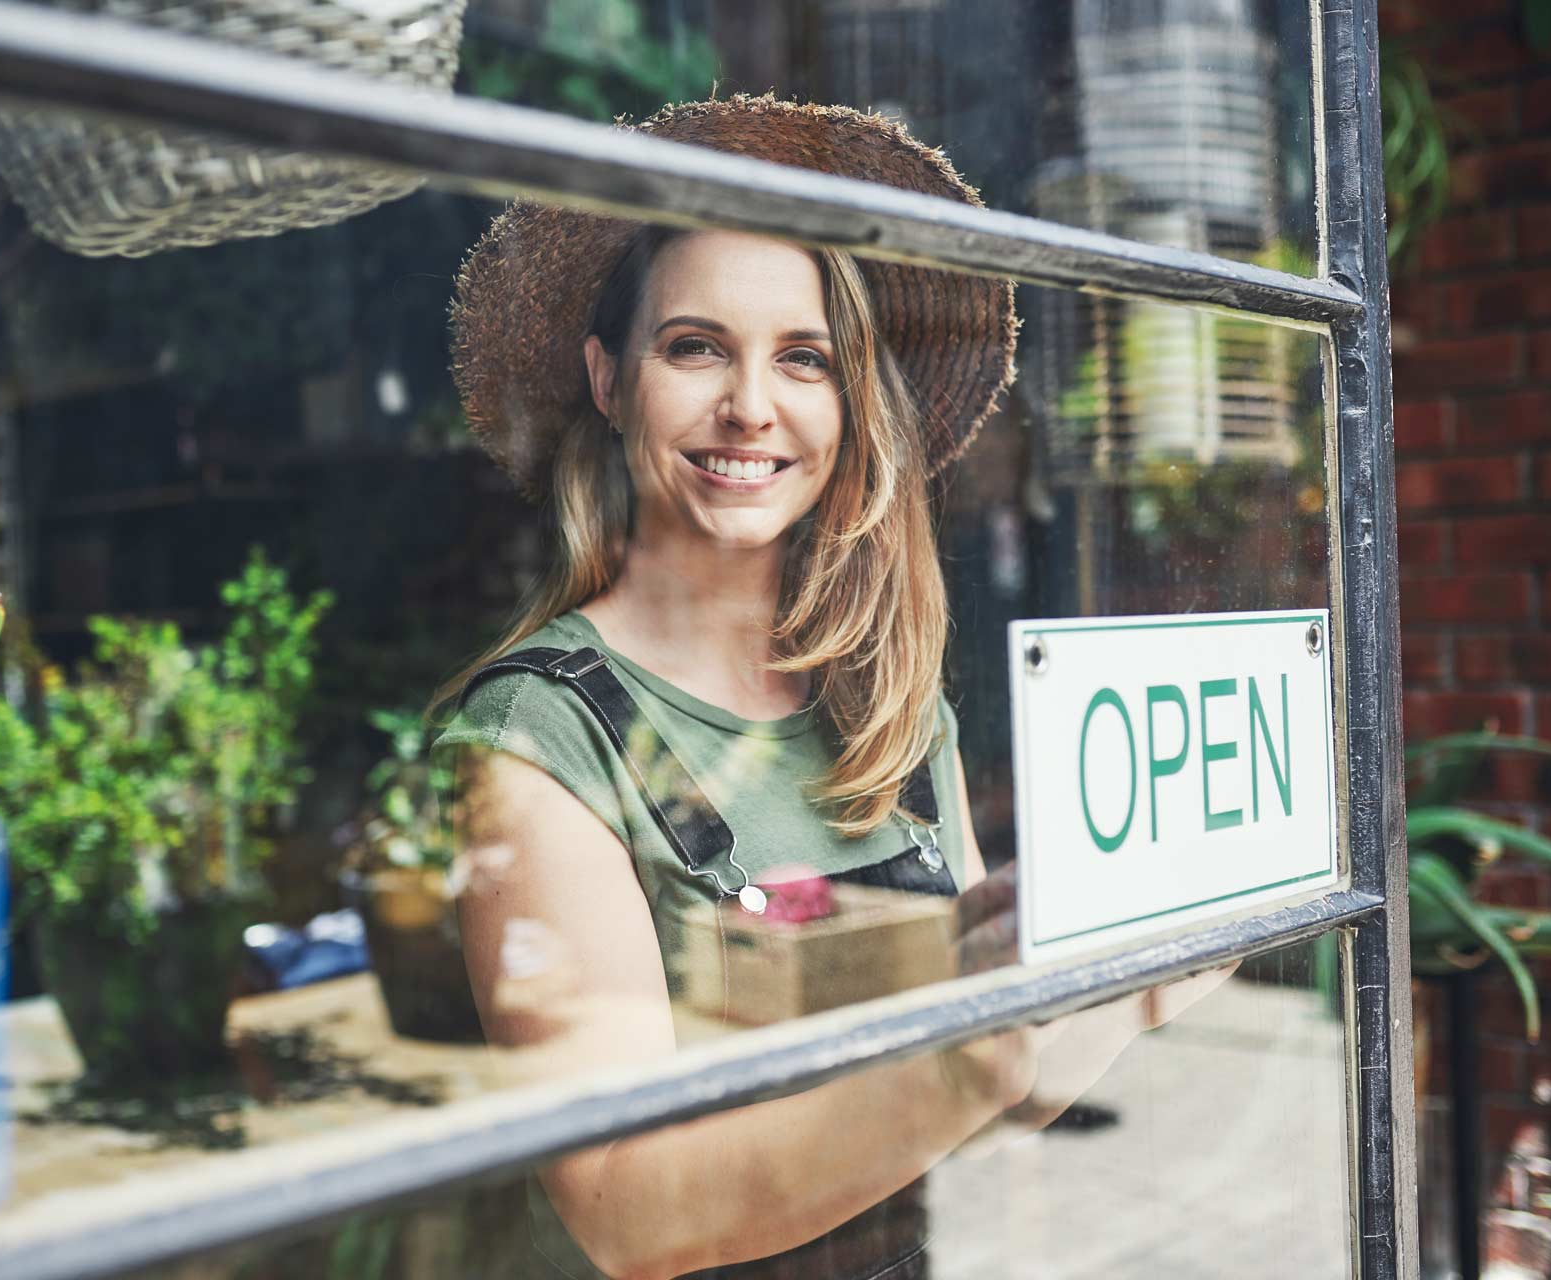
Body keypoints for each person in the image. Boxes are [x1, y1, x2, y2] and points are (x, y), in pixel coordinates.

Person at [428, 94, 1224, 1280]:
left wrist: (1149, 971)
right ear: (607, 377)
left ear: (849, 405)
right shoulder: (533, 737)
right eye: (695, 345)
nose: (752, 404)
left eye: (803, 357)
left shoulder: (891, 710)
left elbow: (1015, 1084)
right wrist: (974, 1053)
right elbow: (625, 1208)